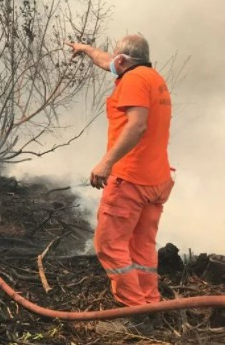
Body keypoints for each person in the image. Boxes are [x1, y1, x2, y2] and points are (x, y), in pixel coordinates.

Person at [66, 35, 173, 333]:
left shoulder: (133, 81)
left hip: (131, 180)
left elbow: (137, 125)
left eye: (115, 59)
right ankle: (151, 306)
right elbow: (108, 63)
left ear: (123, 61)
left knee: (109, 244)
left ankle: (134, 315)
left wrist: (106, 163)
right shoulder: (152, 77)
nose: (110, 63)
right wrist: (86, 50)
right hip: (157, 180)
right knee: (141, 245)